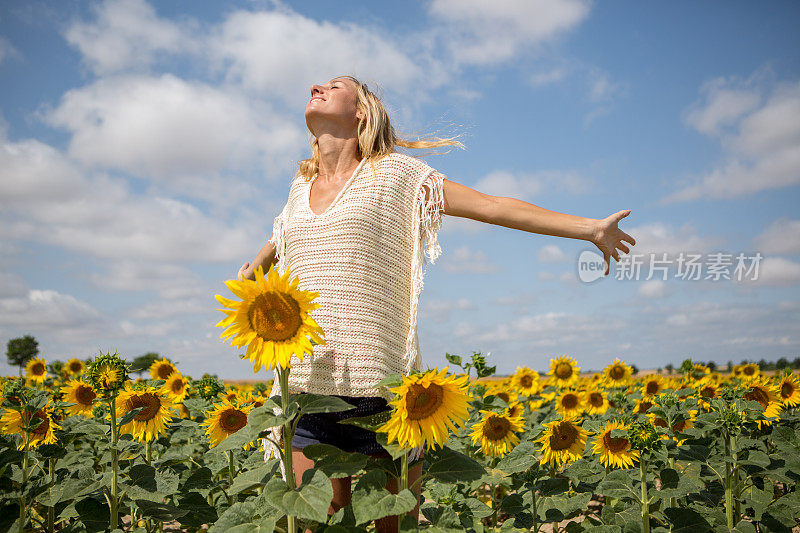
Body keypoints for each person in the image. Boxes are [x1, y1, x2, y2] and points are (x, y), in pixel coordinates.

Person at [237, 75, 635, 532]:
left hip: (383, 395)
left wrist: (589, 229)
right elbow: (281, 233)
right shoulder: (297, 189)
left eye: (335, 85)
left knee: (395, 527)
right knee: (312, 526)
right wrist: (257, 267)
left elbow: (490, 205)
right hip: (308, 390)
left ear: (362, 111)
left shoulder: (397, 175)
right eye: (317, 84)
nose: (316, 86)